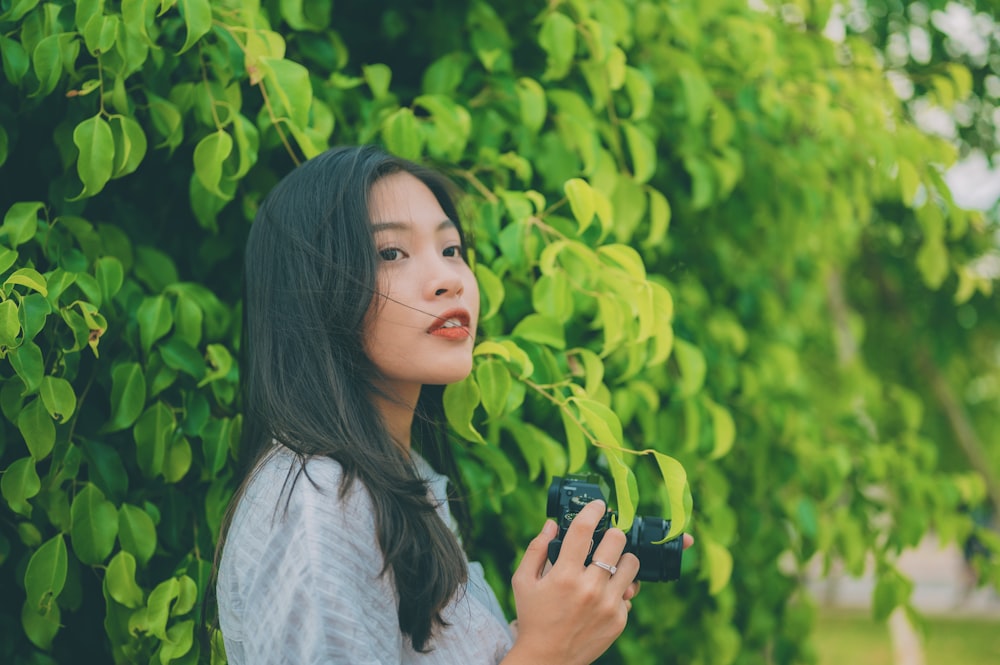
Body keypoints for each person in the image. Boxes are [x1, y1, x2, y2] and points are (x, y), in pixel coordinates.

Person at [215, 145, 685, 664]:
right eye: (391, 253)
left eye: (451, 249)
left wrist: (562, 623)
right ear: (310, 289)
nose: (449, 279)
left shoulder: (394, 478)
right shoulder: (317, 502)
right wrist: (548, 653)